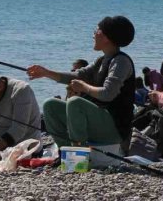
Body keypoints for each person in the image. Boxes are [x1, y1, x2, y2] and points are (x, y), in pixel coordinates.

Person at [28, 15, 136, 151]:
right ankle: (66, 153)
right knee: (50, 105)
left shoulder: (121, 62)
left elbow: (107, 94)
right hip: (99, 122)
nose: (93, 34)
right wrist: (46, 73)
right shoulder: (101, 61)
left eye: (97, 30)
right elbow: (79, 75)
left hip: (114, 129)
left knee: (75, 103)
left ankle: (79, 156)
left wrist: (84, 87)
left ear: (106, 37)